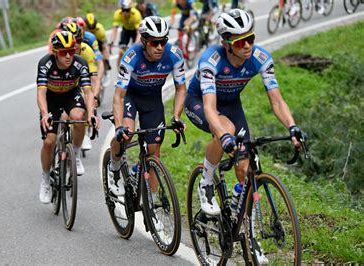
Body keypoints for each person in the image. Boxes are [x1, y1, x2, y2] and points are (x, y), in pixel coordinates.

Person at [184, 9, 305, 262]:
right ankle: (206, 182)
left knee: (245, 168)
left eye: (250, 37)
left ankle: (250, 237)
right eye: (240, 41)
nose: (248, 45)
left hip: (232, 105)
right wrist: (224, 137)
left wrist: (292, 127)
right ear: (226, 43)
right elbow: (209, 108)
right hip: (200, 102)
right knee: (224, 130)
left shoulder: (260, 57)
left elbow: (277, 100)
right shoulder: (211, 60)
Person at [108, 16, 187, 200]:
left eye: (163, 41)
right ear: (144, 41)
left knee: (154, 153)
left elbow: (181, 88)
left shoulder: (174, 54)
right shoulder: (131, 56)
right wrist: (119, 126)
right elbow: (119, 95)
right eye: (154, 42)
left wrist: (176, 116)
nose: (159, 47)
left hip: (153, 100)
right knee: (127, 133)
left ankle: (151, 204)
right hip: (130, 97)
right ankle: (114, 165)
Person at [37, 31, 98, 204]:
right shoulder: (45, 63)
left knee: (79, 117)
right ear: (55, 52)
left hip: (71, 94)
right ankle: (46, 180)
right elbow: (41, 92)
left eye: (72, 50)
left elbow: (87, 91)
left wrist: (91, 114)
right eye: (64, 52)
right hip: (51, 98)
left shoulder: (80, 63)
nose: (69, 55)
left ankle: (76, 155)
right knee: (49, 141)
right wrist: (44, 114)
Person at [109, 0, 143, 67]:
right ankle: (119, 70)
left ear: (130, 9)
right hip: (126, 30)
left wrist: (136, 43)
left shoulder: (136, 14)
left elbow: (139, 32)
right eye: (123, 10)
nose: (125, 13)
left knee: (137, 50)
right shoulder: (117, 14)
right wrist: (112, 42)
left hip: (135, 31)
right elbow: (114, 29)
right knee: (121, 51)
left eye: (127, 10)